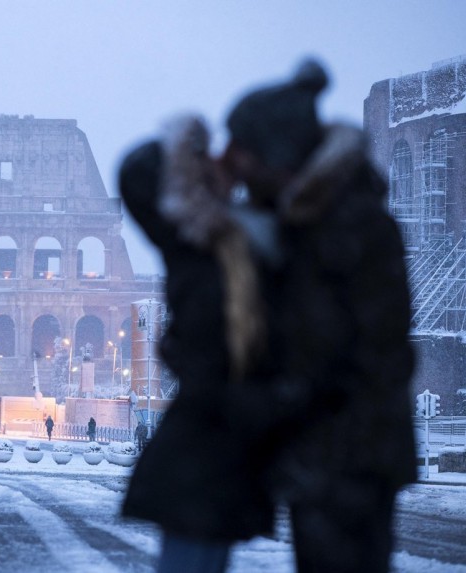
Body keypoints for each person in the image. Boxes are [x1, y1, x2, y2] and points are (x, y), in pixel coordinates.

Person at [220, 59, 416, 573]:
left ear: (277, 153)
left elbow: (378, 352)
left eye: (242, 150)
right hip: (326, 450)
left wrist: (287, 393)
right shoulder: (302, 221)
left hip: (351, 453)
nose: (232, 164)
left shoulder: (348, 227)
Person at [120, 112, 279, 573]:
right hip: (208, 438)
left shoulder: (231, 240)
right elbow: (136, 172)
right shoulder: (196, 239)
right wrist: (186, 156)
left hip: (225, 440)